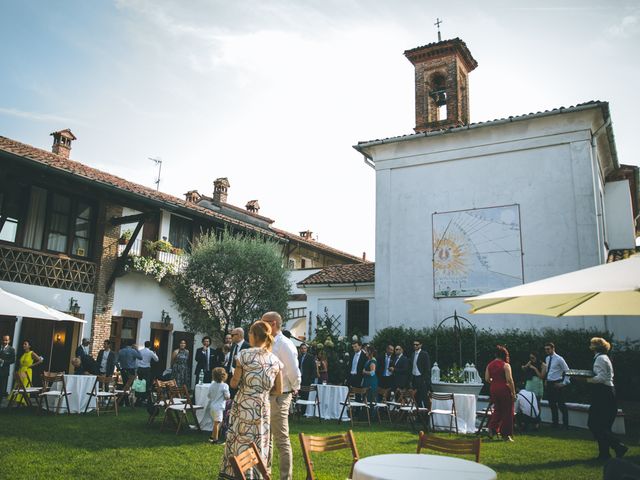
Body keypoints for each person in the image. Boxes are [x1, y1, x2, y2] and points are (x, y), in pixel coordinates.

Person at [218, 321, 282, 480]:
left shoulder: (244, 355)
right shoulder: (275, 360)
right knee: (259, 440)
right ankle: (257, 474)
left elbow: (233, 383)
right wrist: (262, 390)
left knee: (241, 439)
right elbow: (279, 390)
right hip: (262, 407)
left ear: (253, 336)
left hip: (244, 405)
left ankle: (236, 473)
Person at [262, 311, 301, 480]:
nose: (261, 326)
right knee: (266, 439)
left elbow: (293, 369)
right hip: (267, 395)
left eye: (263, 323)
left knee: (282, 440)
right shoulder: (266, 342)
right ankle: (266, 474)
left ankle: (286, 477)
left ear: (274, 323)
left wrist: (295, 387)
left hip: (280, 395)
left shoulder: (285, 344)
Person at [585, 337, 628, 461]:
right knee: (603, 425)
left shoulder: (599, 358)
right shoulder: (604, 357)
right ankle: (604, 454)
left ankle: (618, 446)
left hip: (603, 393)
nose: (590, 346)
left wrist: (585, 379)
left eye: (591, 344)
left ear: (595, 347)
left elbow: (601, 378)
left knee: (593, 424)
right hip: (607, 392)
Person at [485, 345, 516, 441]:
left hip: (493, 388)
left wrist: (494, 381)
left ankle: (491, 428)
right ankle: (506, 435)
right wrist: (513, 393)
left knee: (497, 409)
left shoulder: (489, 365)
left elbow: (487, 379)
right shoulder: (505, 365)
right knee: (507, 411)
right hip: (503, 388)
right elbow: (509, 380)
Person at [544, 342, 570, 429]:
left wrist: (564, 383)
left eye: (548, 349)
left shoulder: (559, 359)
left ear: (553, 349)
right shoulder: (547, 358)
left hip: (557, 383)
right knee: (552, 404)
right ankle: (555, 423)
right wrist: (547, 380)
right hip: (550, 383)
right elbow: (550, 371)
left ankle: (565, 424)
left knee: (561, 404)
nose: (547, 351)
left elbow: (567, 371)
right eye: (546, 349)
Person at [208, 367, 230, 444]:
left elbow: (209, 395)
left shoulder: (212, 384)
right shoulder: (224, 386)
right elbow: (227, 396)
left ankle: (212, 436)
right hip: (219, 407)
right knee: (217, 423)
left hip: (212, 406)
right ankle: (215, 440)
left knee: (217, 422)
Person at [16, 340, 43, 405]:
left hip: (27, 371)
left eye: (25, 344)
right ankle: (18, 401)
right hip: (21, 370)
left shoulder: (31, 353)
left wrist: (32, 365)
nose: (24, 345)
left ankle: (23, 402)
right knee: (19, 385)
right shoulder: (24, 354)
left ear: (29, 346)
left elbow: (40, 360)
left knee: (24, 386)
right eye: (23, 344)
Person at [226, 328, 250, 397]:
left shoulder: (248, 347)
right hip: (230, 376)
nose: (231, 337)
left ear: (239, 335)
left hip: (240, 377)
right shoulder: (233, 346)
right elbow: (230, 361)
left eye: (232, 335)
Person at [410, 339, 431, 408]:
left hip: (421, 378)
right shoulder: (413, 354)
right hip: (415, 378)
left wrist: (424, 379)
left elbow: (427, 368)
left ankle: (427, 417)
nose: (415, 346)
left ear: (420, 345)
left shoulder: (424, 354)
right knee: (416, 398)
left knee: (424, 398)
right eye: (414, 345)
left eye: (417, 344)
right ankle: (419, 416)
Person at [137, 341, 158, 405]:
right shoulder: (150, 352)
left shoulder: (140, 351)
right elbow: (156, 359)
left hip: (140, 368)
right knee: (146, 383)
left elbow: (137, 359)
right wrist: (155, 353)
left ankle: (139, 397)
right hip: (146, 368)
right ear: (150, 346)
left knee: (140, 383)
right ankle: (144, 398)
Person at [0, 335, 16, 400]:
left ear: (9, 341)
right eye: (3, 340)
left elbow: (12, 360)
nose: (4, 341)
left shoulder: (11, 349)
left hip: (4, 372)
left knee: (2, 388)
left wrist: (3, 361)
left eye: (6, 340)